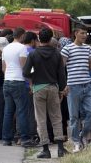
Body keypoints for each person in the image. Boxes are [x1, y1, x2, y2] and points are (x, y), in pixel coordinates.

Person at [23, 28, 68, 158]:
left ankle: (45, 150)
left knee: (41, 119)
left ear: (39, 38)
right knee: (56, 117)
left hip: (38, 88)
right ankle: (60, 149)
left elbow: (26, 72)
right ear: (50, 38)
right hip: (53, 87)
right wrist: (62, 88)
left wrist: (34, 75)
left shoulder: (33, 54)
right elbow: (61, 74)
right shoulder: (57, 54)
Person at [61, 24, 91, 153]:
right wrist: (63, 85)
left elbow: (90, 67)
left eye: (86, 33)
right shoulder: (67, 49)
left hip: (87, 85)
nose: (85, 36)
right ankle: (76, 143)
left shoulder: (88, 49)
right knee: (74, 116)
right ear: (76, 33)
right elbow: (61, 69)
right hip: (73, 86)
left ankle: (81, 136)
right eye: (82, 33)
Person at [1, 27, 36, 147]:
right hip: (19, 81)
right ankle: (25, 138)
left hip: (7, 81)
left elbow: (3, 68)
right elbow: (24, 67)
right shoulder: (22, 48)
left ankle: (6, 138)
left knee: (8, 111)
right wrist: (30, 82)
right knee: (21, 111)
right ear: (22, 36)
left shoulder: (5, 48)